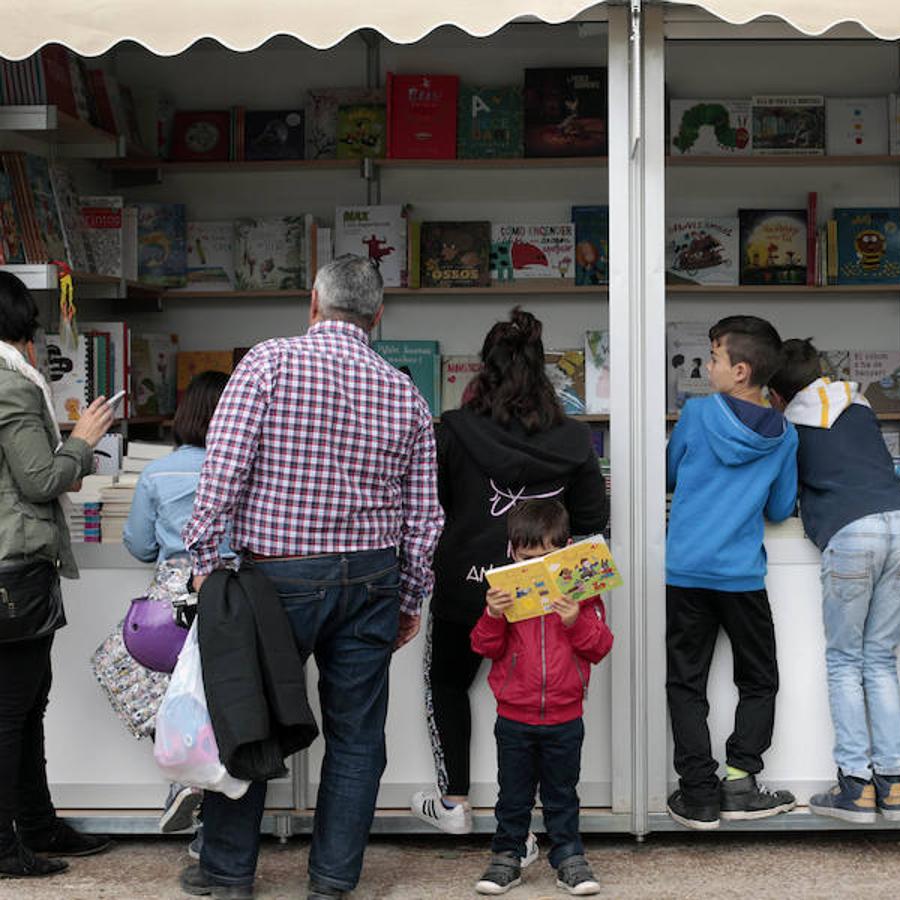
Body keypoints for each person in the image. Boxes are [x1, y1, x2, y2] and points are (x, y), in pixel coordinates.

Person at [180, 256, 444, 899]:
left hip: (276, 580)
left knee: (250, 718)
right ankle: (331, 881)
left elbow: (223, 471)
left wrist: (202, 563)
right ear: (378, 317)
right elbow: (425, 515)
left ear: (313, 304)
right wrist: (410, 597)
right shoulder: (404, 390)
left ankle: (228, 873)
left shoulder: (268, 364)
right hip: (373, 580)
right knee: (357, 736)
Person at [417, 307, 607, 845]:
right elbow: (593, 524)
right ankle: (543, 821)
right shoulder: (574, 440)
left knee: (447, 686)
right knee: (543, 701)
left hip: (467, 589)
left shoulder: (453, 430)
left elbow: (435, 511)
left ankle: (454, 800)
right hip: (551, 602)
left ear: (485, 370)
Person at [766, 339, 900, 823]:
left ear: (776, 393)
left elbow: (783, 499)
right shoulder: (860, 406)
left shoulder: (788, 426)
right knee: (880, 659)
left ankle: (855, 786)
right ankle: (894, 785)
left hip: (852, 533)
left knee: (844, 662)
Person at [0, 270, 115, 877]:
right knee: (14, 709)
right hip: (14, 568)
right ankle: (9, 842)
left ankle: (38, 825)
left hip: (10, 566)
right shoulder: (11, 388)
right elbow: (41, 480)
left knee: (24, 703)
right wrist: (81, 440)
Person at [665, 316, 799, 830]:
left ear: (740, 370)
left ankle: (698, 796)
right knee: (759, 680)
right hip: (741, 576)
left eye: (715, 357)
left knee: (686, 683)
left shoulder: (697, 414)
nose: (708, 365)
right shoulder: (783, 433)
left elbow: (670, 472)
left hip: (687, 571)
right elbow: (782, 507)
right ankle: (741, 781)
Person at [470, 500, 612, 896]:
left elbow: (600, 646)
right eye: (528, 557)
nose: (538, 563)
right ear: (513, 552)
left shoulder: (583, 593)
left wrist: (575, 620)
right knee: (512, 795)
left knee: (562, 794)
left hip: (565, 717)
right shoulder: (504, 593)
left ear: (566, 548)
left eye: (549, 556)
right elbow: (484, 647)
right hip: (514, 717)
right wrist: (493, 615)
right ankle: (507, 857)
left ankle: (569, 856)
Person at [121, 370, 231, 845]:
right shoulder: (244, 465)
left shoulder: (156, 472)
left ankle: (185, 778)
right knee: (223, 700)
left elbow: (138, 544)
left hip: (171, 605)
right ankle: (208, 809)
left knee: (147, 684)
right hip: (231, 592)